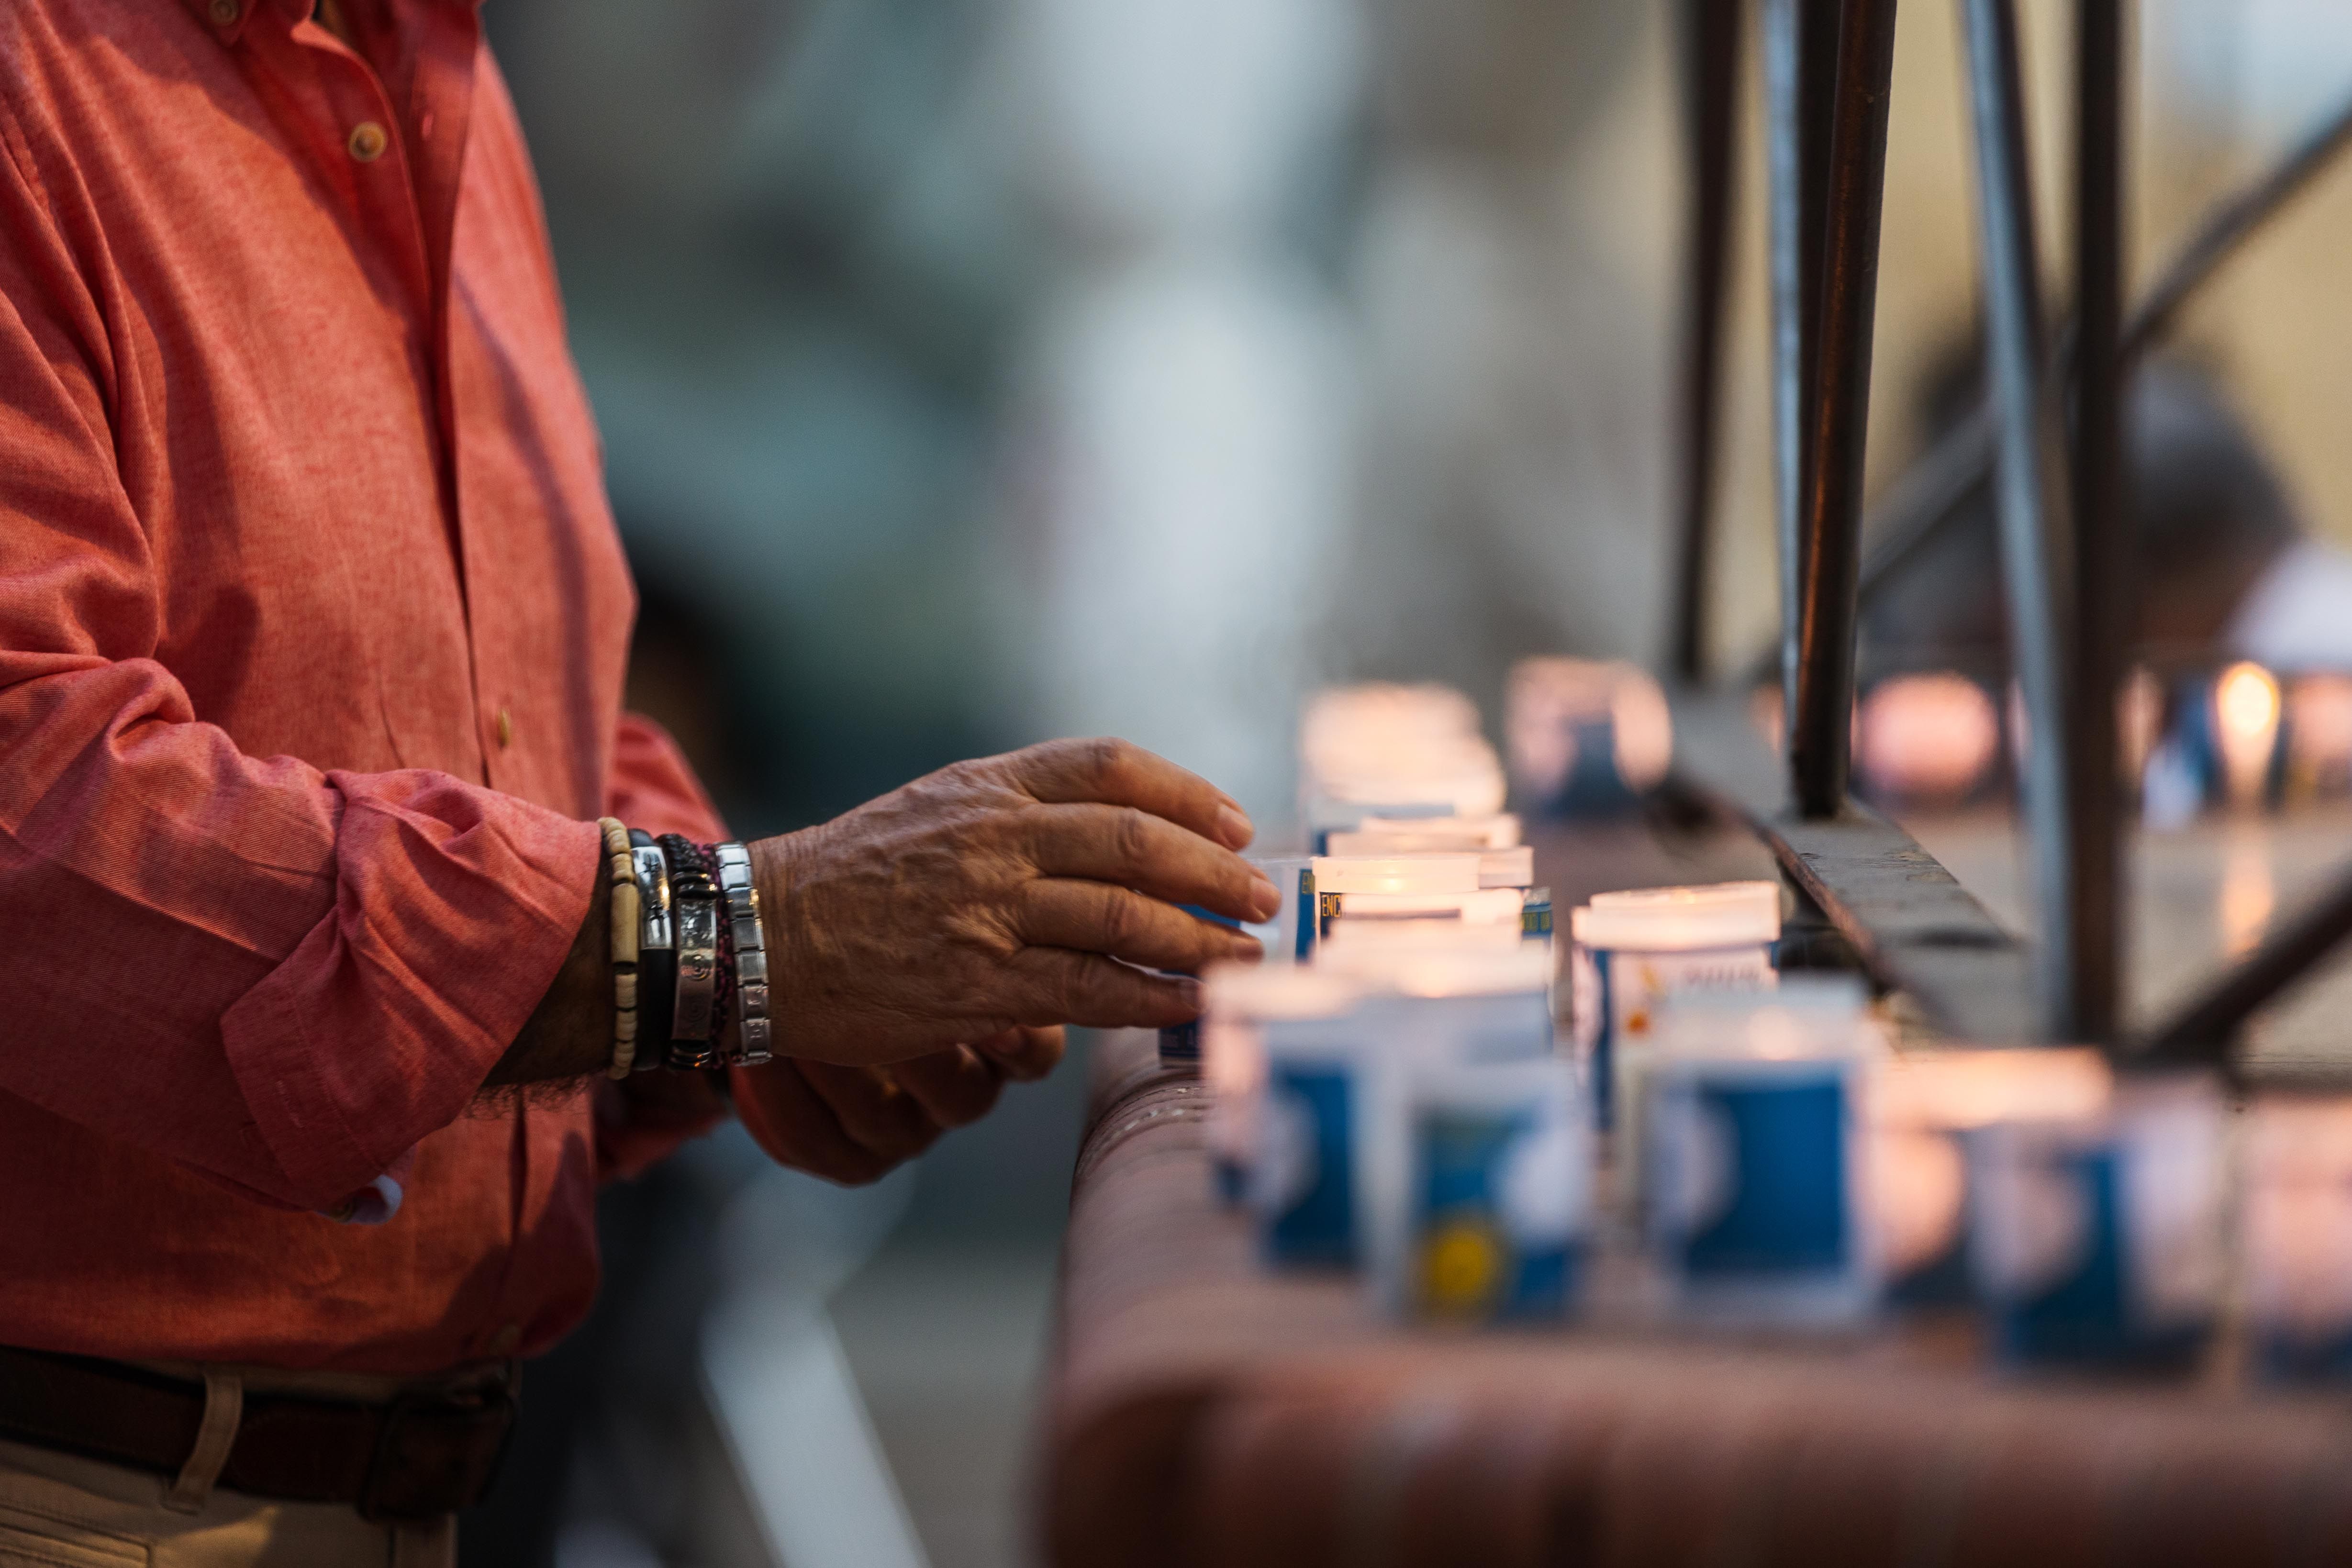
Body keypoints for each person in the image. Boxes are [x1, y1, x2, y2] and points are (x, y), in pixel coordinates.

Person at [0, 2, 1278, 1563]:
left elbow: (495, 714)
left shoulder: (432, 74)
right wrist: (733, 945)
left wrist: (738, 998)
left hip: (404, 1487)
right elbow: (42, 812)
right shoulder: (39, 87)